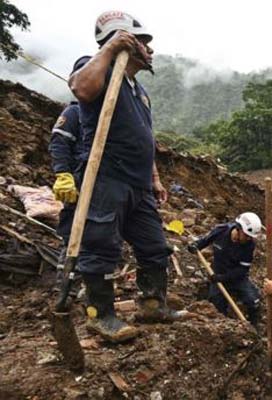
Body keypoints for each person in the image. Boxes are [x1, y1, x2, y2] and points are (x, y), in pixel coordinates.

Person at [68, 11, 183, 343]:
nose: (151, 51)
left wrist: (156, 178)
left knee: (154, 247)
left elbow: (144, 137)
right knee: (102, 246)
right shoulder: (97, 67)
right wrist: (108, 51)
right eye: (146, 43)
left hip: (139, 184)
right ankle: (100, 316)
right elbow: (80, 89)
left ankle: (151, 304)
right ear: (127, 41)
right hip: (106, 176)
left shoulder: (140, 92)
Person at [188, 213, 263, 325]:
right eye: (247, 235)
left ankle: (254, 327)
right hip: (217, 274)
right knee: (216, 303)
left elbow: (242, 270)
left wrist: (223, 278)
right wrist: (195, 245)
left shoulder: (249, 245)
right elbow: (204, 241)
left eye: (250, 237)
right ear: (238, 229)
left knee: (253, 302)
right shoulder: (221, 231)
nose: (248, 239)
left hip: (237, 278)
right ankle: (225, 326)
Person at [49, 101, 83, 291]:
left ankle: (87, 285)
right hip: (78, 183)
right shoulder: (75, 112)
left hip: (103, 186)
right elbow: (59, 143)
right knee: (73, 234)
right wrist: (63, 174)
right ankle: (65, 287)